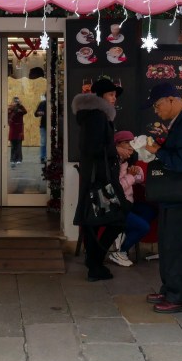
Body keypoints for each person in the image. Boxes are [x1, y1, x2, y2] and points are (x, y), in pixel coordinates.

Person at [141, 81, 182, 313]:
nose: (156, 110)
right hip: (173, 196)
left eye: (158, 105)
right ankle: (169, 289)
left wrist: (159, 152)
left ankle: (180, 296)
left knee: (177, 246)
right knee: (167, 244)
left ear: (171, 100)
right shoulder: (181, 120)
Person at [72, 78, 125, 281]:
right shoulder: (97, 117)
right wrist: (116, 149)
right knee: (116, 218)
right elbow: (91, 147)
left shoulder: (96, 115)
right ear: (101, 96)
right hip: (100, 178)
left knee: (94, 221)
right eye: (111, 94)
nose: (114, 99)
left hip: (97, 176)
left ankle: (94, 261)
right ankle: (95, 263)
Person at [107, 130, 156, 268]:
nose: (130, 146)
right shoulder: (112, 164)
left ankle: (124, 235)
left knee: (150, 211)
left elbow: (139, 179)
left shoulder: (127, 161)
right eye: (126, 143)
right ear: (117, 145)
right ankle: (121, 251)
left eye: (131, 143)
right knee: (143, 227)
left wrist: (137, 172)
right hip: (116, 206)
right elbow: (115, 189)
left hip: (128, 203)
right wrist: (130, 176)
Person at [7, 97, 27, 166]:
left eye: (17, 102)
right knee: (13, 146)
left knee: (19, 145)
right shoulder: (10, 109)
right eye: (14, 102)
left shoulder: (20, 109)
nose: (15, 103)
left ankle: (19, 159)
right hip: (13, 129)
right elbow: (7, 116)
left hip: (19, 129)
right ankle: (12, 159)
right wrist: (12, 107)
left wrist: (20, 105)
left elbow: (25, 112)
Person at [35, 95, 47, 163]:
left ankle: (47, 156)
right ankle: (43, 157)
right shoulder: (42, 103)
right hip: (44, 125)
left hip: (52, 125)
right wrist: (40, 113)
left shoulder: (55, 103)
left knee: (44, 141)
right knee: (43, 141)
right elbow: (36, 113)